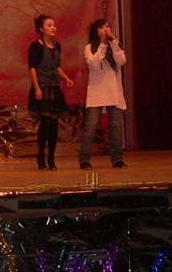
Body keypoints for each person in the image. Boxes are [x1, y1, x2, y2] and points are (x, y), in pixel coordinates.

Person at [79, 18, 128, 170]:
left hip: (114, 91)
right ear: (96, 31)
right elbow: (94, 63)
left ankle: (117, 159)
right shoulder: (89, 48)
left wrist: (113, 43)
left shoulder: (115, 45)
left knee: (116, 126)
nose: (106, 29)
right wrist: (103, 44)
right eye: (102, 27)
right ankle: (84, 159)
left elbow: (121, 61)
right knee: (91, 125)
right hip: (96, 92)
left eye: (107, 27)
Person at [28, 14, 74, 170]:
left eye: (54, 25)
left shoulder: (57, 46)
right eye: (49, 25)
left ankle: (52, 158)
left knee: (54, 125)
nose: (53, 28)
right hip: (43, 87)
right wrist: (37, 88)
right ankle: (41, 155)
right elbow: (32, 68)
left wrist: (66, 78)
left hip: (55, 88)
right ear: (41, 29)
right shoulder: (36, 46)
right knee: (45, 123)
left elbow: (57, 67)